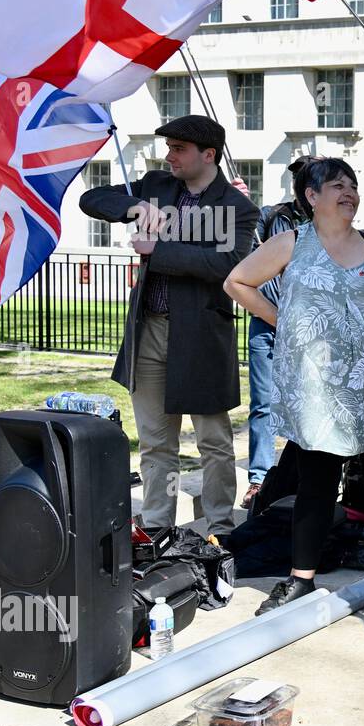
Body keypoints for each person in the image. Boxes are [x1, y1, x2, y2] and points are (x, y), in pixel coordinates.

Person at [224, 158, 364, 616]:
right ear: (311, 196)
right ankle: (300, 579)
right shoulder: (292, 242)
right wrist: (279, 321)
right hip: (317, 390)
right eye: (336, 185)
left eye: (353, 185)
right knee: (317, 485)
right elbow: (236, 281)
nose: (349, 192)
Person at [80, 114, 257, 539]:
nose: (169, 155)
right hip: (148, 333)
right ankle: (158, 524)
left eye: (178, 148)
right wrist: (132, 206)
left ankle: (220, 526)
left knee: (214, 444)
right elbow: (92, 198)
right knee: (157, 444)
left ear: (208, 154)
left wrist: (158, 249)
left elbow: (227, 266)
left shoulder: (237, 208)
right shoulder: (157, 186)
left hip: (200, 338)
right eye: (169, 147)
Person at [241, 156, 316, 511]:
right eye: (299, 175)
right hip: (266, 327)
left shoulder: (328, 224)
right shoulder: (271, 216)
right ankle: (260, 479)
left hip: (306, 330)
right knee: (263, 404)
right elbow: (240, 231)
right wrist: (238, 200)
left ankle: (303, 478)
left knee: (308, 406)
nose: (303, 182)